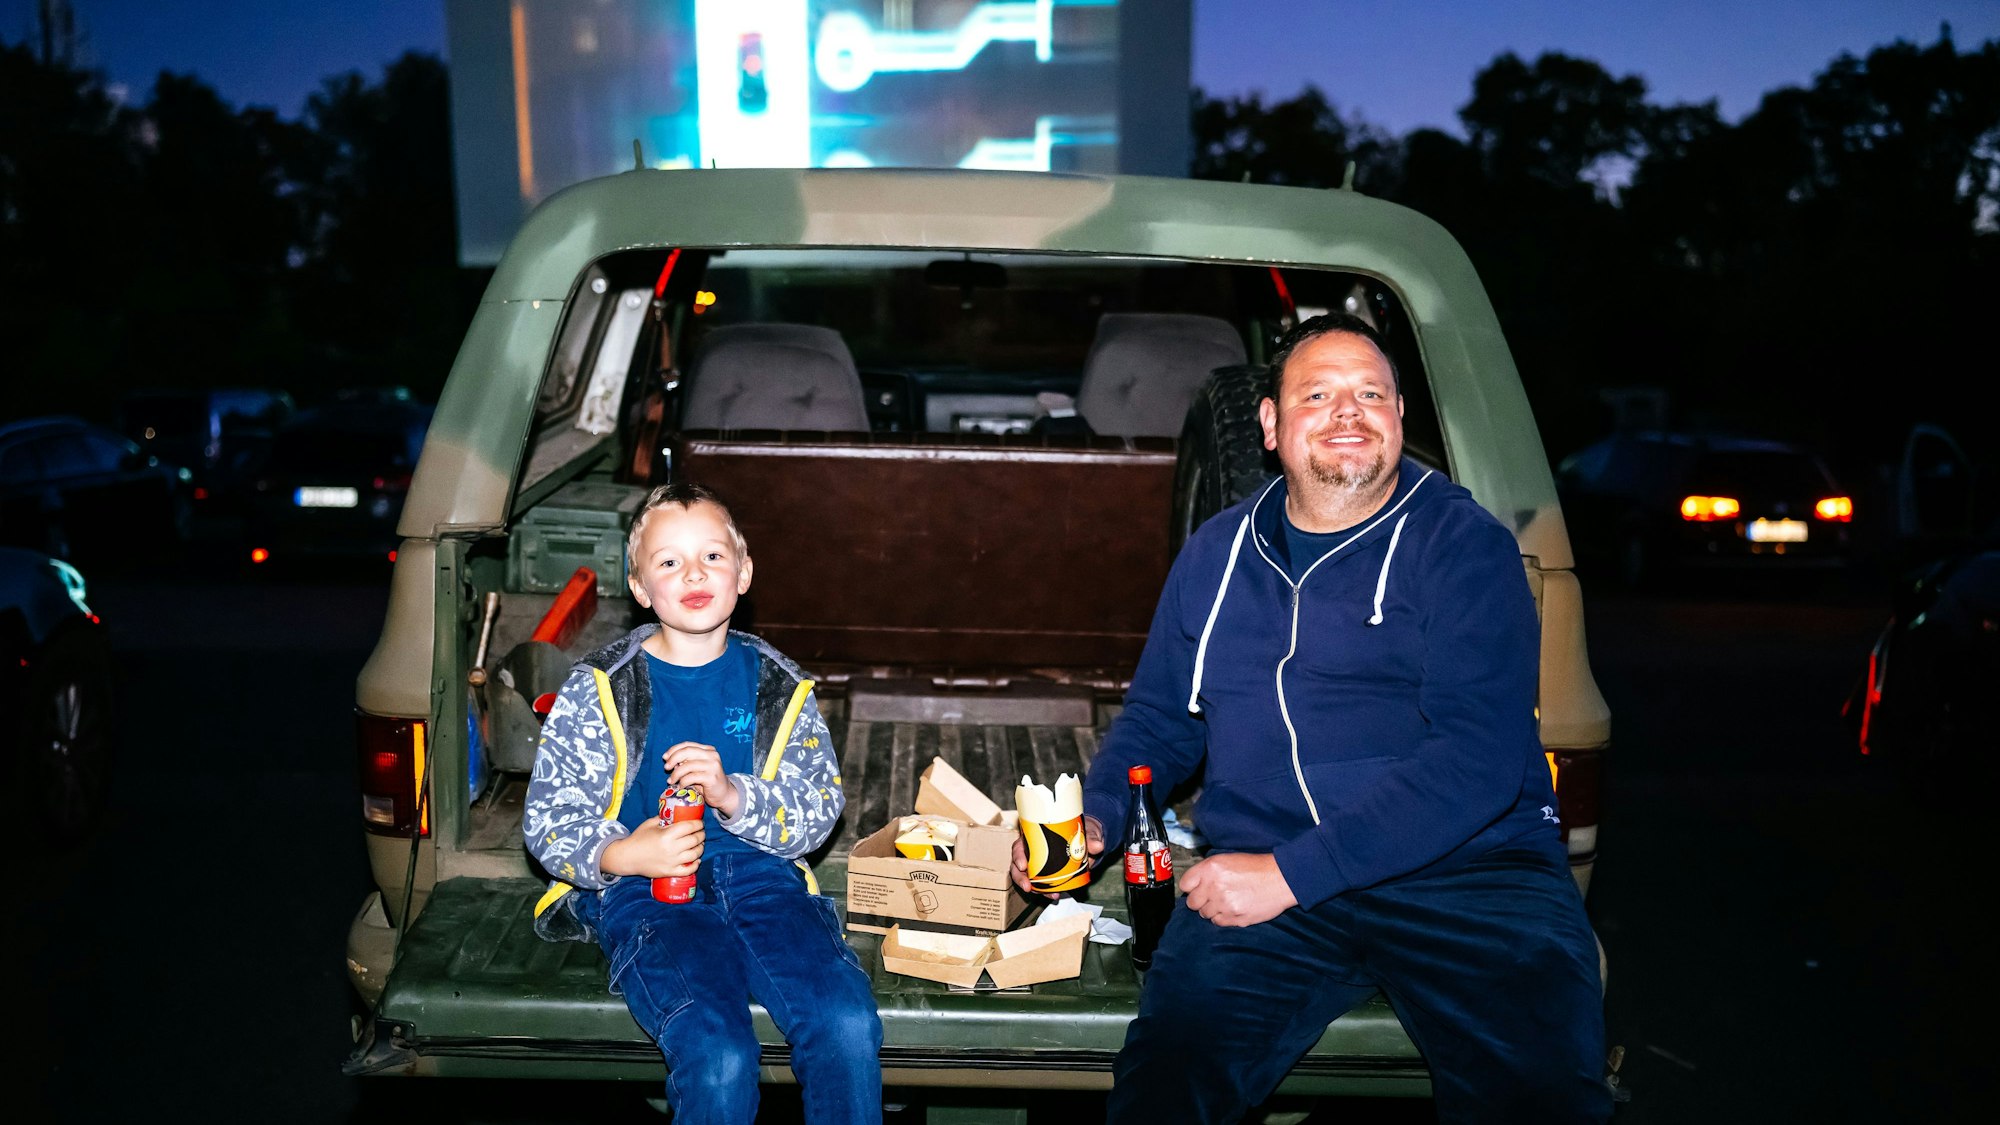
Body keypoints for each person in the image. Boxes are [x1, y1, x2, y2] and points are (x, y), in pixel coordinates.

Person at [1015, 314, 1611, 1123]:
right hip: (1271, 872)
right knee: (1167, 1083)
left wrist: (1293, 874)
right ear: (1269, 424)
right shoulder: (1217, 555)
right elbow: (1160, 719)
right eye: (1318, 394)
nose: (1347, 413)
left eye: (1371, 393)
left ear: (1400, 415)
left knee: (1542, 1097)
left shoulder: (1463, 546)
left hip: (1471, 875)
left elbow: (1478, 760)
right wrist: (1100, 817)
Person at [523, 482, 881, 1125]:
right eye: (668, 562)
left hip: (763, 876)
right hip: (649, 892)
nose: (693, 573)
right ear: (639, 588)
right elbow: (548, 820)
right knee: (718, 1052)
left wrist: (734, 795)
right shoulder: (599, 687)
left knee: (846, 1022)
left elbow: (819, 806)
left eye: (713, 557)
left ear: (743, 573)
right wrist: (623, 852)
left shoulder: (779, 685)